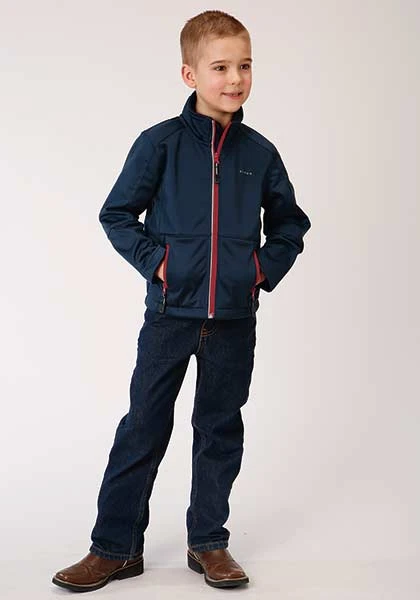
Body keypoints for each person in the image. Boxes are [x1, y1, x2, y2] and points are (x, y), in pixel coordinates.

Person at [52, 9, 311, 592]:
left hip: (234, 320)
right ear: (190, 74)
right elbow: (117, 214)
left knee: (219, 430)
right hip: (170, 315)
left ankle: (209, 542)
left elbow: (291, 224)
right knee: (142, 428)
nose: (235, 78)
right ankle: (115, 548)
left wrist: (258, 271)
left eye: (244, 66)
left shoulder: (260, 153)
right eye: (220, 67)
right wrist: (160, 263)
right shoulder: (160, 144)